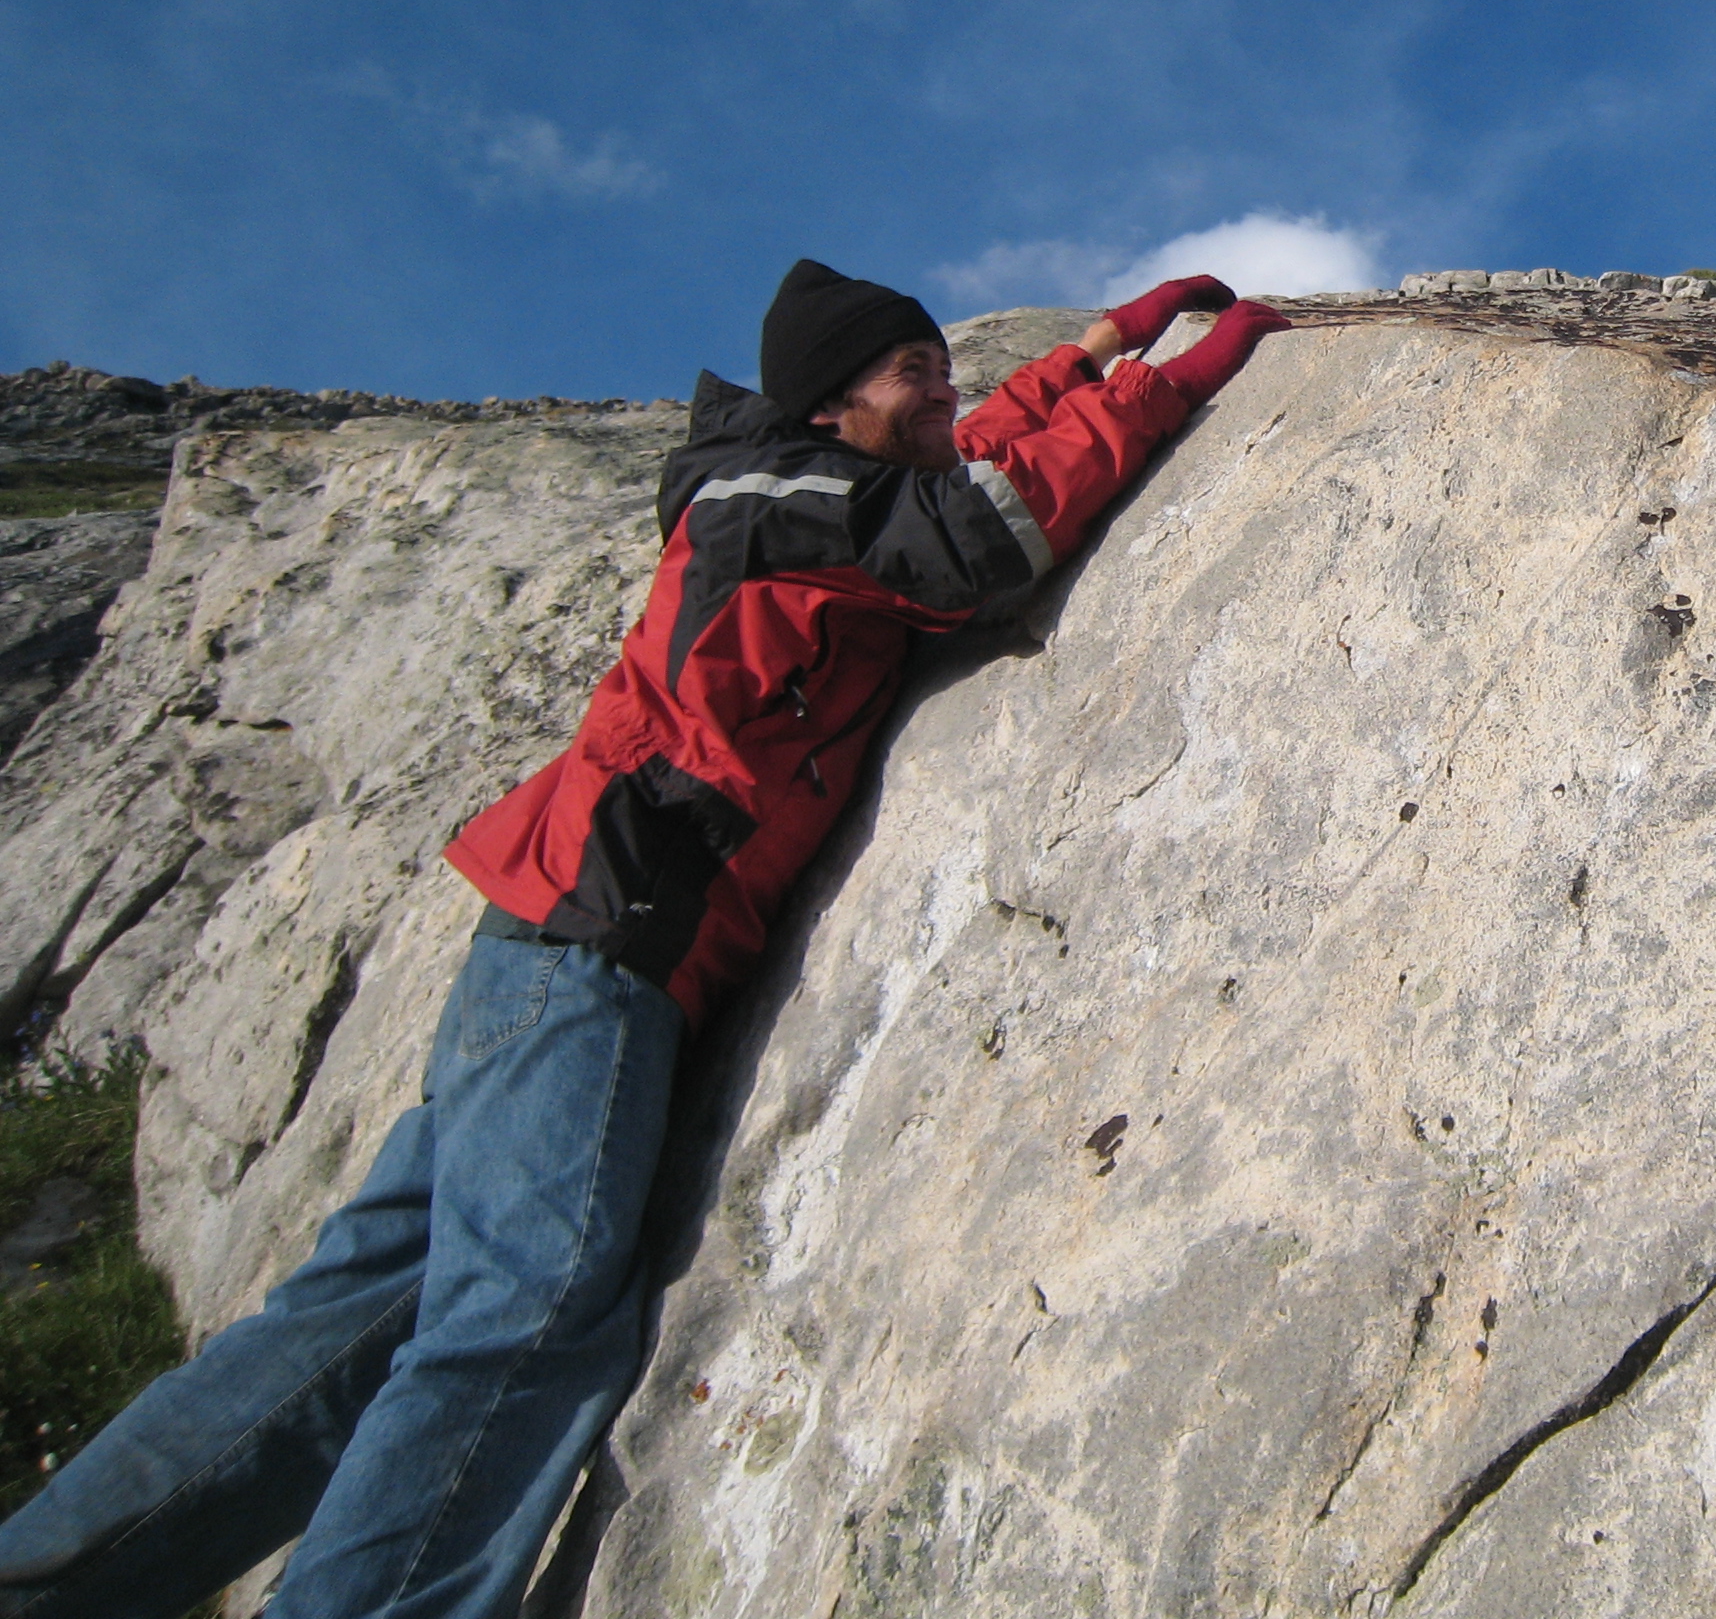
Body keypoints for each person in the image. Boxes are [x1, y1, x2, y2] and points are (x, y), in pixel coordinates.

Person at [0, 261, 1290, 1619]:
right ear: (830, 402)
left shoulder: (801, 493)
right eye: (915, 372)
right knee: (532, 1310)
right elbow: (976, 529)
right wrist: (1175, 383)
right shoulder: (768, 501)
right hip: (600, 955)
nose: (944, 394)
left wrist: (1095, 350)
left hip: (561, 953)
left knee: (350, 1330)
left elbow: (949, 466)